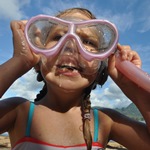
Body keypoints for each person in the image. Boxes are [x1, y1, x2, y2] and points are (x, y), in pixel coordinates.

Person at [0, 7, 150, 150]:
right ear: (39, 56)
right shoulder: (19, 112)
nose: (71, 46)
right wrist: (20, 61)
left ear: (100, 66)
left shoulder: (105, 121)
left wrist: (135, 88)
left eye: (88, 42)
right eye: (58, 37)